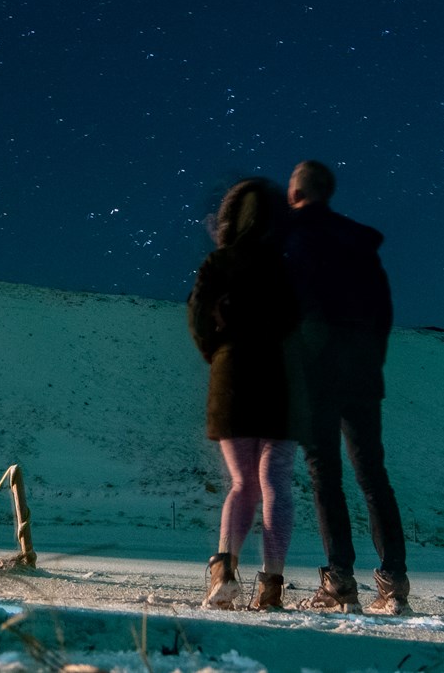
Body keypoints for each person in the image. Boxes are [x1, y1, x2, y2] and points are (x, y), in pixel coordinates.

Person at [282, 159, 410, 616]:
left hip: (315, 376)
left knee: (325, 478)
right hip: (360, 373)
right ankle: (394, 583)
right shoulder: (359, 244)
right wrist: (370, 363)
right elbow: (383, 314)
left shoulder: (290, 237)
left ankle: (340, 582)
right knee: (373, 476)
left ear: (294, 193)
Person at [187, 178, 300, 612]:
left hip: (232, 373)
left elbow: (198, 318)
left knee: (241, 483)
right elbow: (297, 321)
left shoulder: (219, 262)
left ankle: (224, 571)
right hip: (279, 375)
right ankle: (271, 585)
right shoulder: (286, 265)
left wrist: (217, 353)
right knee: (276, 483)